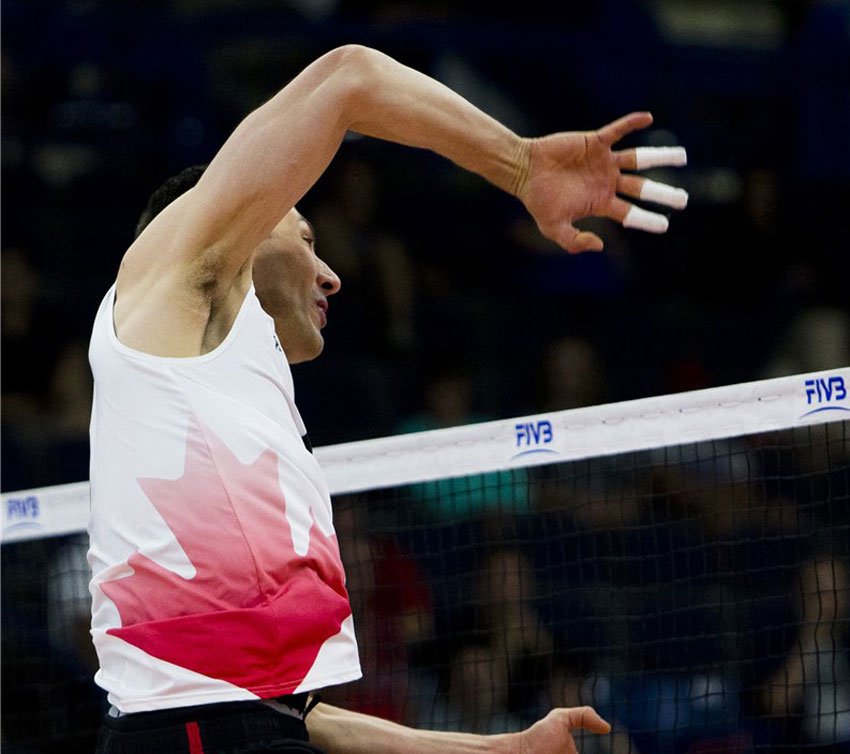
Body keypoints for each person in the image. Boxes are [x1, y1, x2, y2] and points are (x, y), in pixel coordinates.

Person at [86, 44, 686, 753]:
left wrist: (502, 749)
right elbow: (350, 76)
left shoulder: (237, 399)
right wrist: (519, 164)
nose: (331, 273)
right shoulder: (168, 277)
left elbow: (300, 720)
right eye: (304, 236)